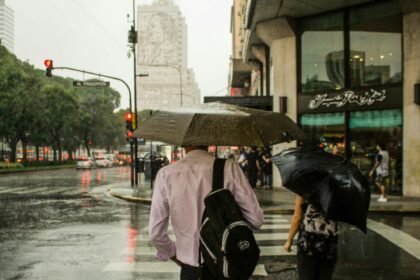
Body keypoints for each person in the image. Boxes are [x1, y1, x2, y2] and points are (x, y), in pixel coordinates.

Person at [149, 146, 264, 280]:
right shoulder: (229, 168)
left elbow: (156, 234)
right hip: (227, 265)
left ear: (183, 144)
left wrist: (174, 253)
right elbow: (256, 219)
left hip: (191, 270)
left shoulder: (166, 174)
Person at [284, 196, 339, 280]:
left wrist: (289, 240)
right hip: (329, 242)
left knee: (306, 275)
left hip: (309, 241)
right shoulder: (338, 190)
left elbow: (297, 217)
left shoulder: (305, 188)